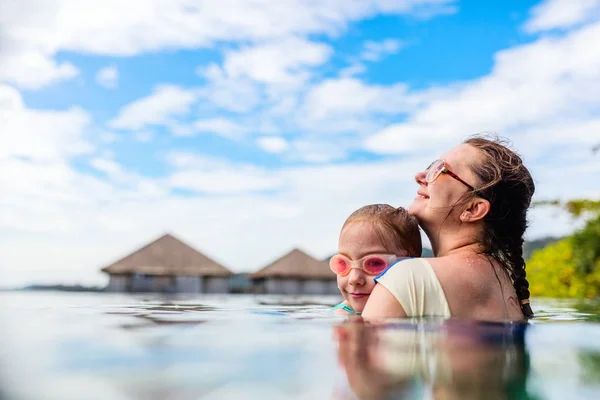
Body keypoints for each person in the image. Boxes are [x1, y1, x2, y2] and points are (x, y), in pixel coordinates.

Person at [362, 135, 535, 321]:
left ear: (473, 209)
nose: (420, 176)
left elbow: (363, 349)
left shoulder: (408, 277)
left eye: (439, 169)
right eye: (430, 166)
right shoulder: (506, 287)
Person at [330, 204, 422, 315]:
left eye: (374, 263)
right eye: (343, 263)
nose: (353, 279)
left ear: (410, 265)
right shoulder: (342, 315)